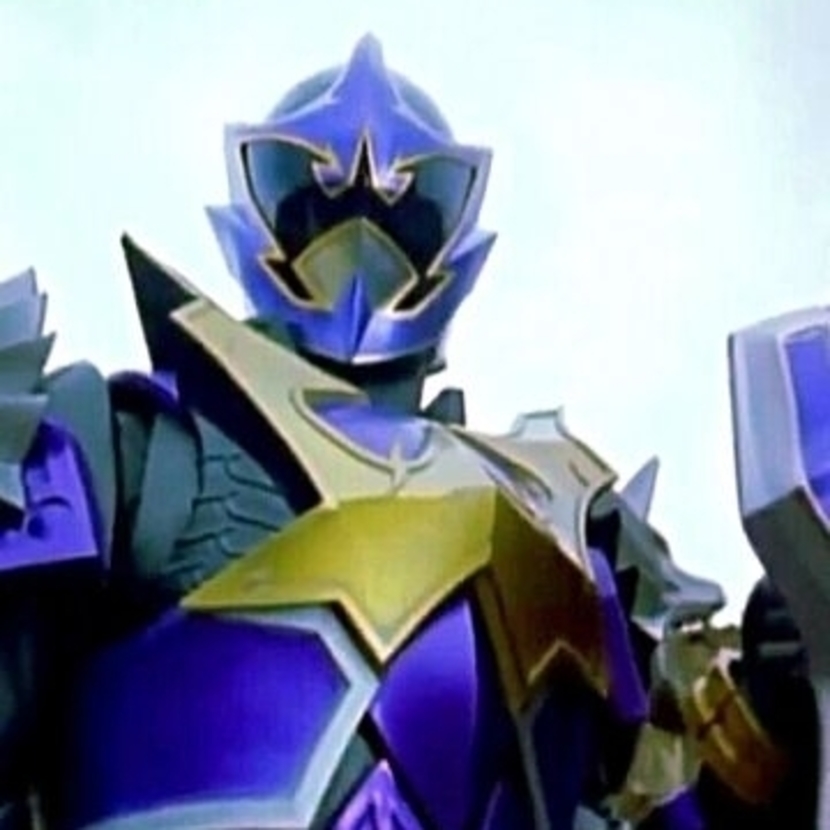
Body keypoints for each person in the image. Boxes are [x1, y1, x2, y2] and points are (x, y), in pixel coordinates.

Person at [0, 34, 815, 830]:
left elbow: (656, 795)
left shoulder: (559, 520)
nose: (359, 232)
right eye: (320, 206)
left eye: (403, 217)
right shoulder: (147, 444)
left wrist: (773, 701)